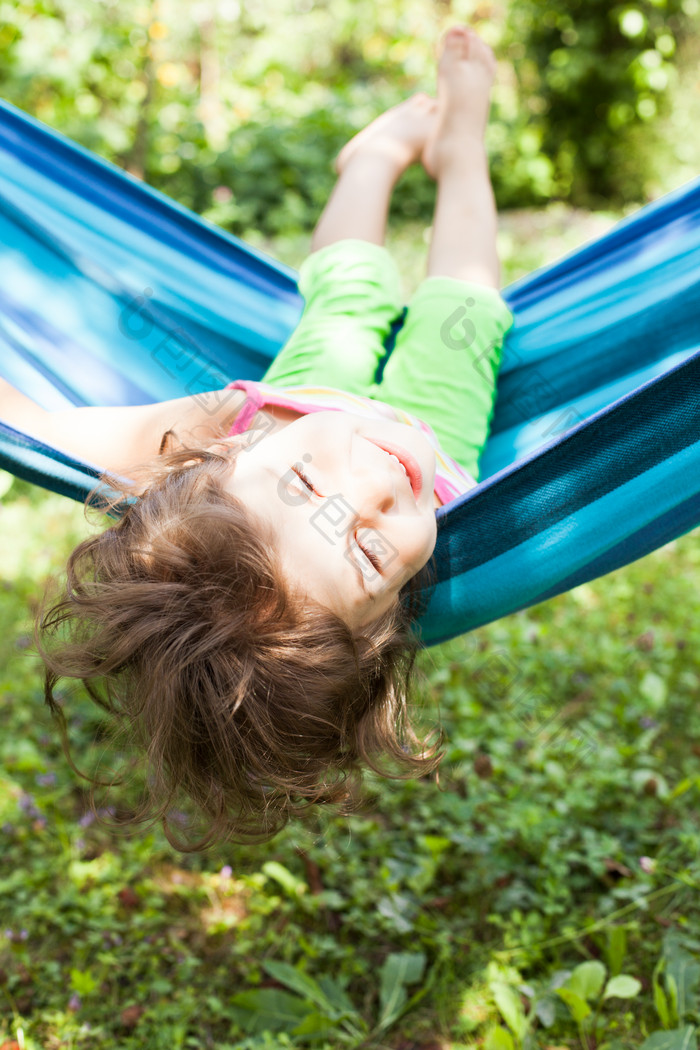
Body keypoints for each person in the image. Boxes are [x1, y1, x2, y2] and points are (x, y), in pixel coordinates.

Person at [0, 24, 513, 849]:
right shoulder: (409, 490)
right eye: (374, 555)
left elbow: (51, 429)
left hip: (316, 397)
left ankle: (372, 159)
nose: (376, 488)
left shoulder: (218, 435)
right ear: (385, 627)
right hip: (439, 440)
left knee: (351, 290)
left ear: (234, 458)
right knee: (467, 306)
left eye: (308, 487)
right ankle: (463, 150)